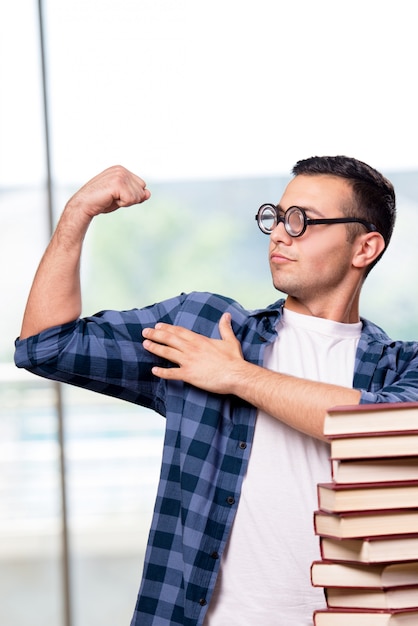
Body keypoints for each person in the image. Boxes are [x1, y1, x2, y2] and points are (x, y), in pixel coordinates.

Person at [14, 156, 418, 626]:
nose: (280, 233)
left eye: (302, 220)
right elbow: (46, 346)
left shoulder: (401, 365)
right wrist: (76, 215)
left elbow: (381, 424)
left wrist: (238, 376)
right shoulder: (207, 328)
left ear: (364, 247)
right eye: (277, 215)